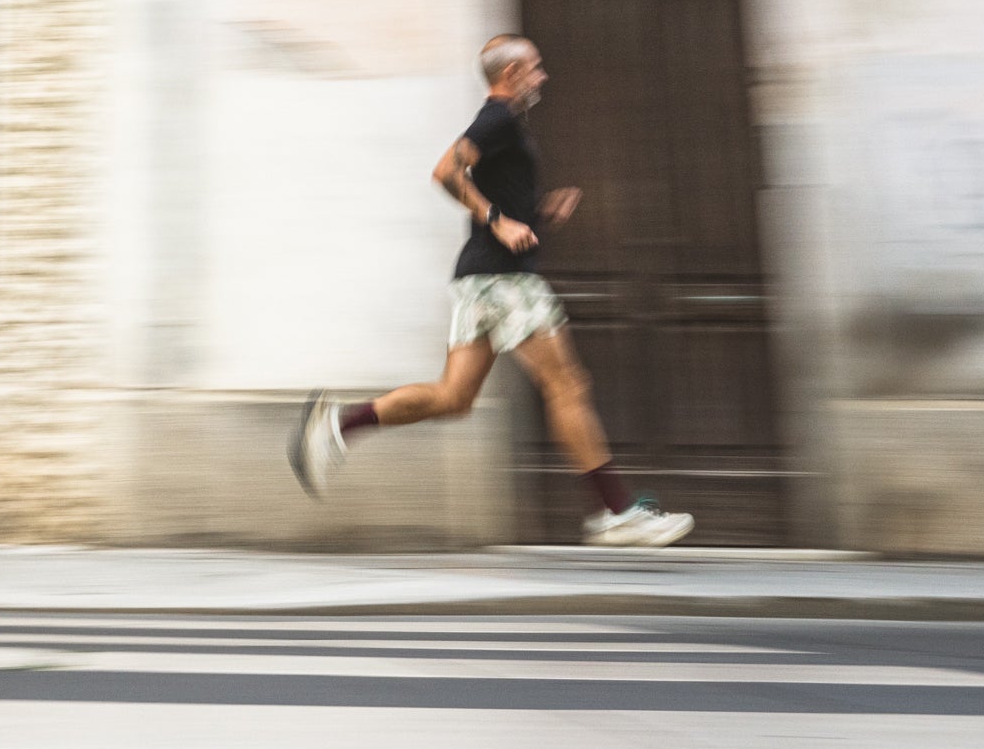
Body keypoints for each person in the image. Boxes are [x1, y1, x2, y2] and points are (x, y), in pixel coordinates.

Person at [287, 34, 693, 548]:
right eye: (535, 68)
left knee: (453, 397)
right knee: (568, 385)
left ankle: (338, 425)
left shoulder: (506, 126)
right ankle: (615, 511)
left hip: (479, 277)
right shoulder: (497, 117)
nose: (542, 77)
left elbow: (485, 186)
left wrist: (536, 209)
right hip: (505, 278)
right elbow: (445, 171)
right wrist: (498, 221)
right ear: (511, 74)